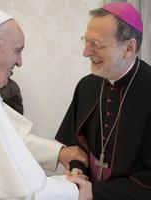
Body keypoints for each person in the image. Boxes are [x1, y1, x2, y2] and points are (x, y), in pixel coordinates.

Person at [0, 9, 88, 200]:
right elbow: (10, 193)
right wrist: (73, 190)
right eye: (18, 51)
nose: (20, 62)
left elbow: (8, 138)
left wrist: (58, 153)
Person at [56, 2, 151, 199]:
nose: (86, 52)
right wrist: (77, 169)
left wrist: (97, 192)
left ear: (128, 48)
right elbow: (75, 146)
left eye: (96, 44)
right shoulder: (86, 86)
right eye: (86, 41)